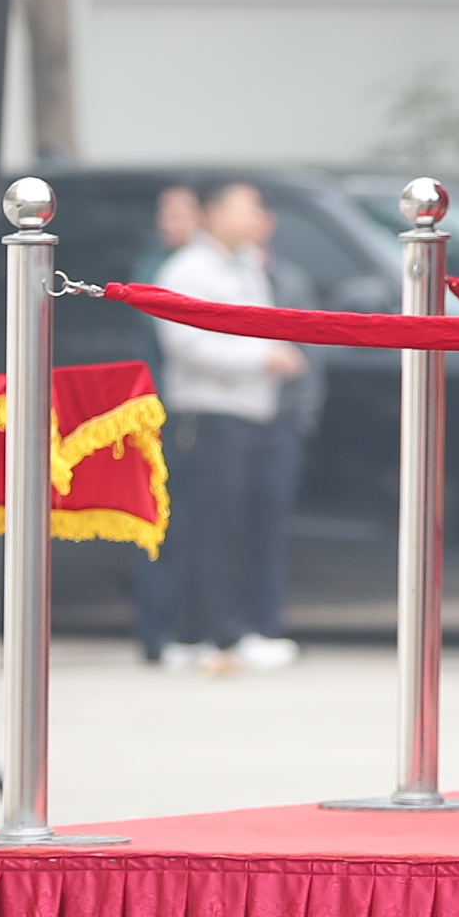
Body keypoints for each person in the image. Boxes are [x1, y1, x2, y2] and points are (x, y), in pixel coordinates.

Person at [149, 181, 308, 675]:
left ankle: (228, 631)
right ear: (214, 215)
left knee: (241, 527)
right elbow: (187, 343)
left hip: (252, 413)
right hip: (210, 413)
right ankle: (207, 635)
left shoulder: (248, 266)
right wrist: (262, 359)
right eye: (245, 208)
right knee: (209, 530)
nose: (254, 217)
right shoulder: (188, 270)